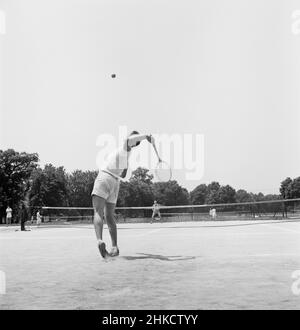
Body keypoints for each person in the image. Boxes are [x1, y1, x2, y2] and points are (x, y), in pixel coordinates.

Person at [91, 131, 154, 258]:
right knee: (109, 216)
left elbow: (128, 140)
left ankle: (100, 240)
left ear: (133, 140)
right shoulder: (127, 155)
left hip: (105, 176)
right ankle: (114, 247)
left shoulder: (124, 148)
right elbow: (124, 175)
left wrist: (146, 136)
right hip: (115, 183)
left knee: (98, 212)